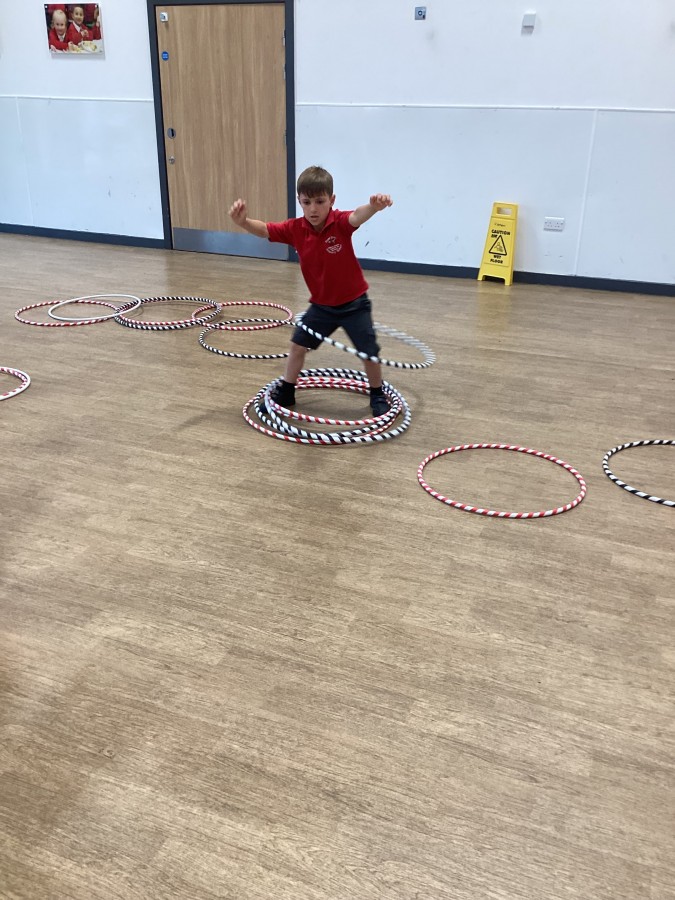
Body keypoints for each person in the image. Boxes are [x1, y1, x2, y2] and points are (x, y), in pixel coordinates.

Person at [229, 166, 393, 416]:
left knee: (369, 352)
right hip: (322, 307)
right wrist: (243, 222)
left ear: (332, 200)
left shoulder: (339, 223)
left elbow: (356, 216)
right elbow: (265, 229)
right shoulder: (295, 229)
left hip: (354, 304)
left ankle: (377, 393)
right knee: (297, 345)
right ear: (299, 202)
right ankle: (286, 392)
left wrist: (373, 207)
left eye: (320, 201)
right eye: (307, 202)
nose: (313, 209)